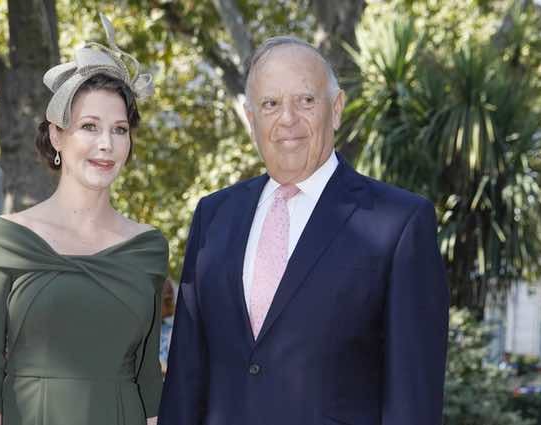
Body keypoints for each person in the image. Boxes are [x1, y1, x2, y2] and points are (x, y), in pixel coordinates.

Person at [159, 36, 449, 425]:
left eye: (306, 100)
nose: (288, 119)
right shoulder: (213, 217)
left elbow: (413, 401)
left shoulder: (399, 223)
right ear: (251, 118)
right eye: (270, 104)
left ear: (337, 109)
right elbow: (186, 378)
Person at [0, 14, 166, 425]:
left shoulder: (148, 247)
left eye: (120, 129)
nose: (106, 144)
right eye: (89, 127)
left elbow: (148, 375)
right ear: (57, 135)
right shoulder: (6, 239)